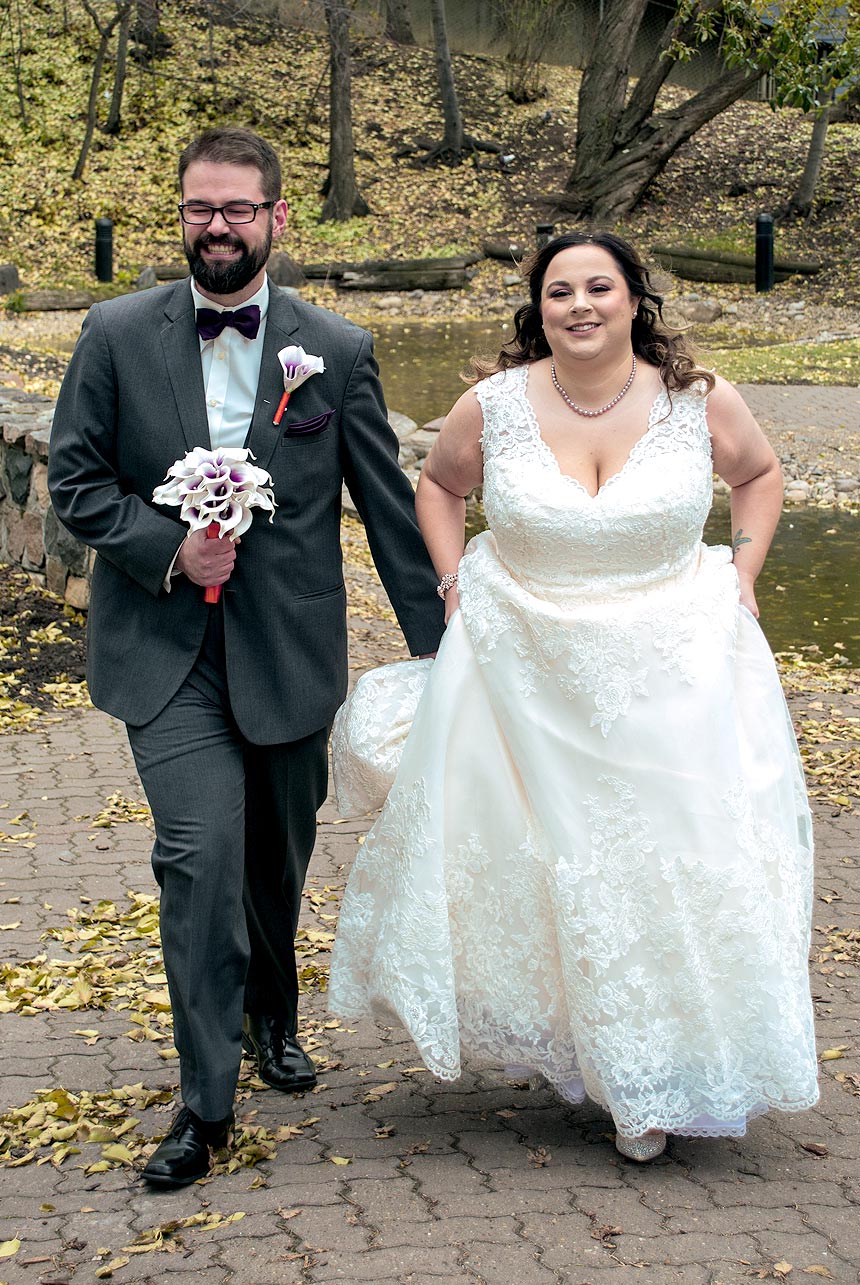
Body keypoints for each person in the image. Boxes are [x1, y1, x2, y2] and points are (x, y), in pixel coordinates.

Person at [328, 231, 819, 1162]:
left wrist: (744, 573)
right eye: (560, 292)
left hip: (673, 671)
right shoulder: (494, 404)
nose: (580, 305)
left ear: (636, 298)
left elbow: (757, 476)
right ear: (538, 308)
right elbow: (437, 485)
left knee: (666, 862)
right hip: (528, 670)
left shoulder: (697, 401)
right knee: (560, 866)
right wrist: (452, 583)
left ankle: (661, 1069)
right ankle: (600, 1061)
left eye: (600, 287)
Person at [48, 127, 444, 1187]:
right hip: (161, 651)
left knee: (273, 864)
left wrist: (445, 661)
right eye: (197, 210)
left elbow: (390, 520)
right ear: (180, 215)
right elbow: (77, 485)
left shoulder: (339, 352)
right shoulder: (115, 333)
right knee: (199, 860)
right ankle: (205, 1102)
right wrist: (167, 546)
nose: (214, 227)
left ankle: (273, 1007)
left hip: (286, 653)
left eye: (235, 210)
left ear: (276, 217)